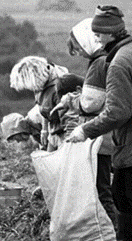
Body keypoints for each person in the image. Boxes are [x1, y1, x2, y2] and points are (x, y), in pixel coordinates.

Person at [66, 5, 132, 241]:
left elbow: (117, 112)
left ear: (112, 33)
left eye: (99, 33)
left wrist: (84, 130)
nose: (96, 38)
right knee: (121, 196)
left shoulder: (118, 63)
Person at [51, 18, 117, 226]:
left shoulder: (99, 63)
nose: (78, 53)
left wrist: (69, 100)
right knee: (106, 187)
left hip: (100, 138)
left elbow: (90, 103)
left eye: (78, 48)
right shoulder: (107, 59)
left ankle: (114, 236)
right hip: (106, 135)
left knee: (101, 189)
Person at [10, 56, 70, 152]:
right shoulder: (39, 87)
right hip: (54, 131)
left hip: (65, 132)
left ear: (33, 77)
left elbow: (68, 117)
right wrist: (45, 130)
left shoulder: (59, 86)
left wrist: (68, 142)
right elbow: (44, 110)